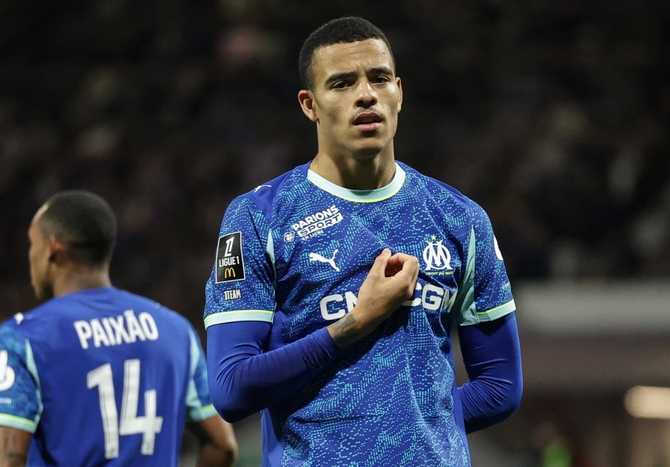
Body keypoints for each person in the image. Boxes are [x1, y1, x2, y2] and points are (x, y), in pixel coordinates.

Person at [205, 16, 522, 466]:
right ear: (310, 105)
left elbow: (500, 385)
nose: (366, 94)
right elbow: (231, 388)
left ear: (399, 92)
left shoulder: (460, 218)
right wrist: (354, 324)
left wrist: (406, 428)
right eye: (341, 83)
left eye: (379, 78)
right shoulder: (259, 218)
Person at [0, 191, 238, 467]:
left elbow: (10, 456)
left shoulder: (23, 340)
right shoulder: (175, 331)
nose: (31, 255)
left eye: (32, 244)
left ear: (53, 248)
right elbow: (223, 446)